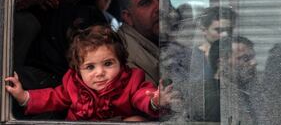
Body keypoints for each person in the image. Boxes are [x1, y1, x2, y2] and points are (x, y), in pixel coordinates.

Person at [5, 25, 177, 121]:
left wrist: (154, 100)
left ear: (122, 63)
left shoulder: (132, 80)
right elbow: (53, 97)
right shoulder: (73, 84)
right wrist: (24, 97)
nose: (100, 73)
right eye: (90, 67)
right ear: (77, 70)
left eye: (108, 64)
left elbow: (141, 96)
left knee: (136, 121)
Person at [191, 36, 259, 123]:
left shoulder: (236, 91)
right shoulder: (213, 97)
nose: (254, 63)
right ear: (221, 64)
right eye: (245, 58)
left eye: (253, 57)